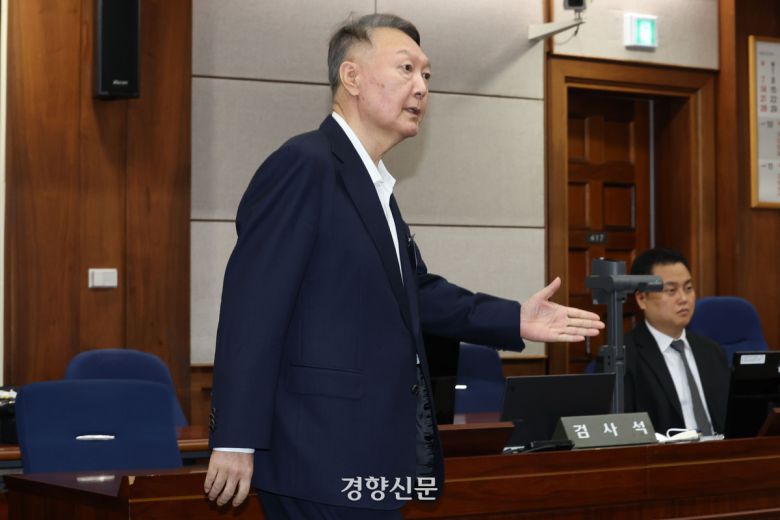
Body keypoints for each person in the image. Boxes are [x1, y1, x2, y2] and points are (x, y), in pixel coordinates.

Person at [203, 13, 603, 519]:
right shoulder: (305, 164)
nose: (422, 87)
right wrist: (236, 438)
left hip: (369, 450)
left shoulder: (372, 184)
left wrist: (513, 318)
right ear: (351, 77)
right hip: (317, 454)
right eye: (407, 69)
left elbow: (415, 290)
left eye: (427, 75)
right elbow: (253, 307)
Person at [624, 247, 729, 436]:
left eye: (688, 288)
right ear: (642, 299)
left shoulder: (712, 352)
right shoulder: (624, 356)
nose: (683, 299)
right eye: (671, 290)